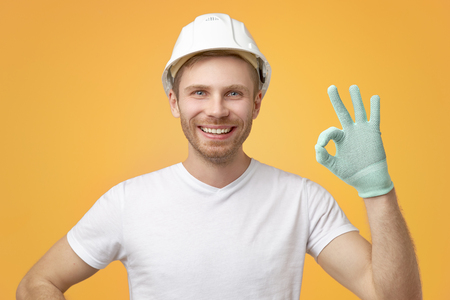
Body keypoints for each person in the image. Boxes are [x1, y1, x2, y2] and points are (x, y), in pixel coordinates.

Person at [17, 13, 422, 300]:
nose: (216, 110)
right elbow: (37, 284)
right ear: (174, 102)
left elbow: (396, 298)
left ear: (257, 102)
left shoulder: (303, 200)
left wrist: (377, 190)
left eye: (233, 92)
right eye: (199, 92)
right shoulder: (127, 202)